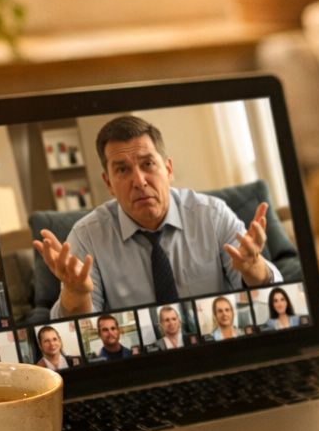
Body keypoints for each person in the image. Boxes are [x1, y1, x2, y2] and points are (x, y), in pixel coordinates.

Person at [31, 114, 282, 319]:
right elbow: (77, 336)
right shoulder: (86, 237)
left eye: (148, 164)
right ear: (108, 183)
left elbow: (273, 300)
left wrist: (254, 269)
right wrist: (75, 295)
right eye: (122, 170)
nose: (139, 181)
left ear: (168, 169)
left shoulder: (212, 215)